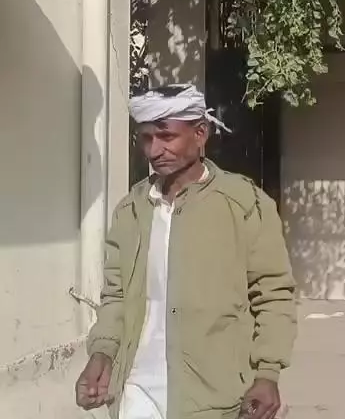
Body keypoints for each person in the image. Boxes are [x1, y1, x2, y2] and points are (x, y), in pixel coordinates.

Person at [75, 84, 298, 419]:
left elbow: (273, 294)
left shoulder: (244, 204)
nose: (155, 150)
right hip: (136, 390)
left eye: (166, 136)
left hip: (214, 396)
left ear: (200, 134)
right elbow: (116, 296)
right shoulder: (131, 210)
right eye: (146, 138)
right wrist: (102, 352)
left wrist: (267, 373)